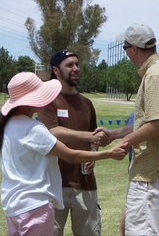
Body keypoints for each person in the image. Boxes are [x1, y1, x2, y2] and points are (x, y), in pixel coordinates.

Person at [0, 72, 127, 236]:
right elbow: (71, 155)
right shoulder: (33, 129)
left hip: (14, 206)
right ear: (30, 101)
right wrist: (109, 153)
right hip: (35, 206)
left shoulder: (9, 125)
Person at [96, 23, 159, 235]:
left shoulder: (155, 75)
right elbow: (149, 121)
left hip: (153, 176)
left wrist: (124, 143)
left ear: (133, 49)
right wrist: (114, 134)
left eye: (125, 48)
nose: (125, 53)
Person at [37, 50, 110, 236]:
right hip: (53, 185)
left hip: (85, 184)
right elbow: (52, 132)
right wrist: (89, 137)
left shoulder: (87, 103)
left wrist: (93, 152)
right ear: (56, 70)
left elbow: (94, 135)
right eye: (69, 65)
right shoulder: (47, 101)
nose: (76, 69)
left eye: (77, 64)